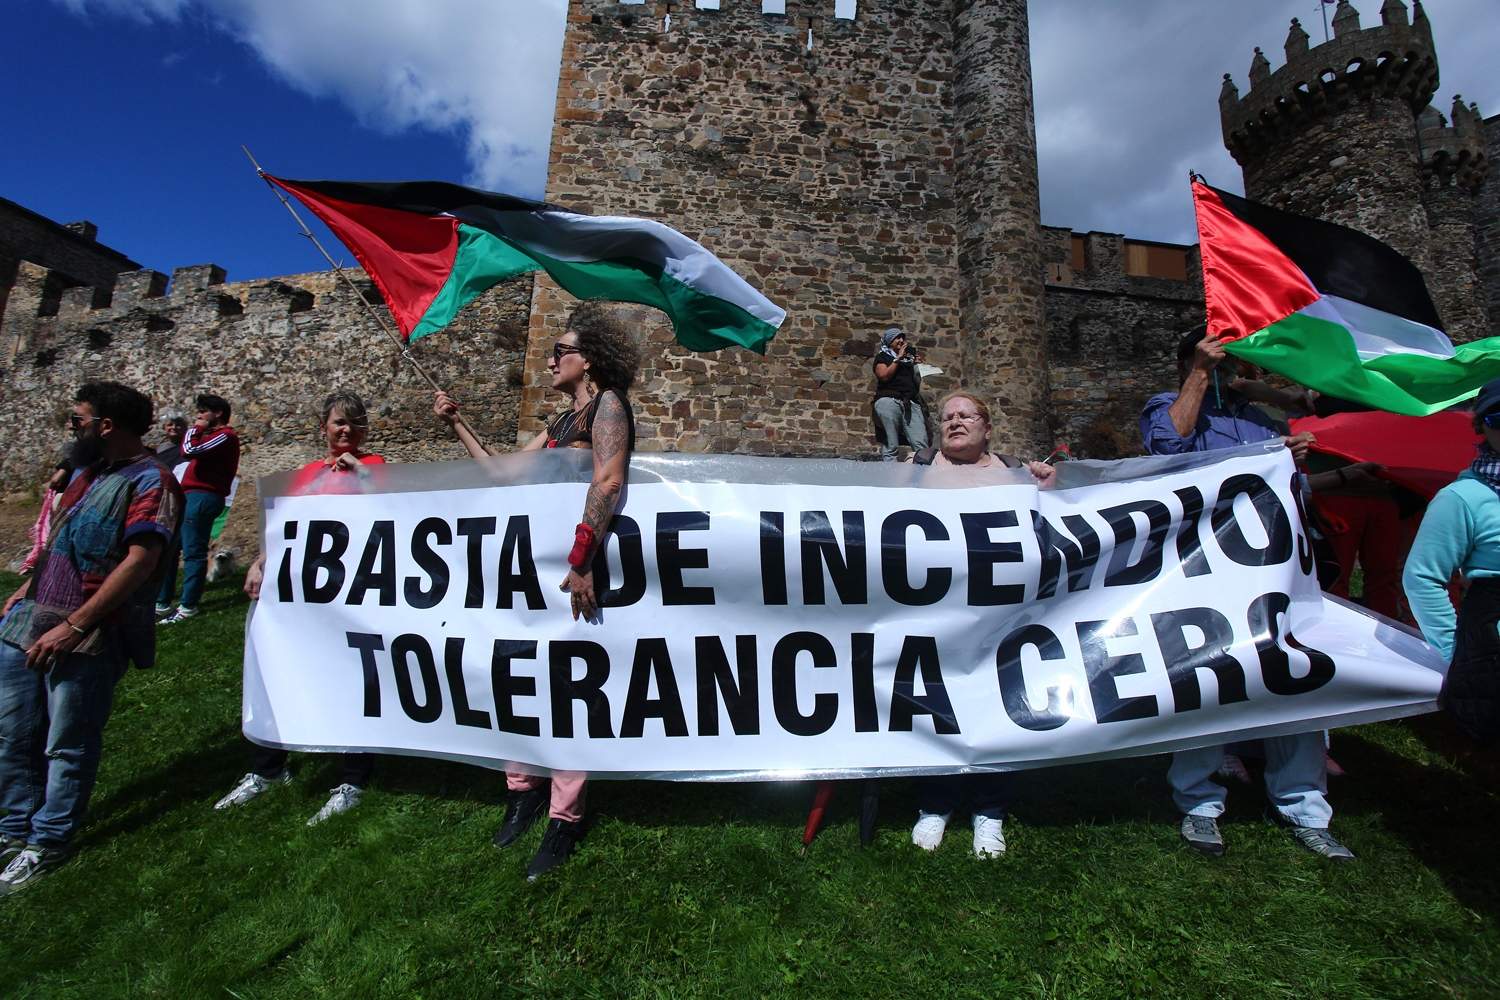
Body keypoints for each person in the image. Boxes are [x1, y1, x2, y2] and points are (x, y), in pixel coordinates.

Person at [1139, 327, 1371, 861]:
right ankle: (1199, 803)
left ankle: (1304, 806)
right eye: (1218, 362)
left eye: (1231, 363)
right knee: (1204, 677)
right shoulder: (1167, 405)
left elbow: (1287, 491)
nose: (1228, 372)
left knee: (1293, 677)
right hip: (1203, 570)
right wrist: (1198, 372)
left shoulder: (1260, 421)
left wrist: (1295, 462)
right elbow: (1166, 449)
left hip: (1272, 570)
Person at [435, 301, 639, 881]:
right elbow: (501, 474)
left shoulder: (608, 407)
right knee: (515, 675)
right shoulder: (557, 425)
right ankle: (521, 789)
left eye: (561, 351)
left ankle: (564, 816)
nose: (552, 358)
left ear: (590, 360)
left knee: (569, 686)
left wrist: (582, 560)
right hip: (527, 565)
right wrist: (457, 423)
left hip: (574, 564)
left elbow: (609, 480)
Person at [0, 382, 182, 896]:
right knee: (14, 735)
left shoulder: (153, 481)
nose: (70, 428)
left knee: (68, 742)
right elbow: (60, 544)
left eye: (77, 419)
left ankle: (49, 840)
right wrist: (23, 590)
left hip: (87, 634)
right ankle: (14, 828)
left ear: (106, 425)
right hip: (28, 620)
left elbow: (141, 561)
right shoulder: (88, 474)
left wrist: (76, 624)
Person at [214, 392, 386, 824]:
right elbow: (281, 528)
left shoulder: (379, 467)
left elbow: (396, 514)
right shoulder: (305, 475)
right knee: (279, 672)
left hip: (353, 594)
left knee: (352, 681)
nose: (345, 430)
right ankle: (267, 768)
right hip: (300, 595)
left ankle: (352, 777)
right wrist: (259, 561)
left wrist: (362, 475)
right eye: (337, 423)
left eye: (353, 423)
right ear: (324, 428)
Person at [906, 389, 1054, 858]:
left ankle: (989, 811)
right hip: (935, 611)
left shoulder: (1016, 473)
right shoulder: (915, 468)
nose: (955, 422)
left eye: (966, 416)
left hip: (999, 613)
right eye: (948, 417)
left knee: (998, 705)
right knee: (939, 703)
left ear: (987, 427)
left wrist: (1050, 490)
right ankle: (936, 803)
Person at [1403, 378, 1500, 743]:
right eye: (1498, 419)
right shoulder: (1462, 498)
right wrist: (1455, 652)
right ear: (1481, 427)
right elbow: (1421, 579)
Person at [158, 393, 239, 623]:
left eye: (203, 411)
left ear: (218, 413)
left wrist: (195, 428)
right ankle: (163, 602)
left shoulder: (225, 436)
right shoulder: (212, 436)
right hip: (190, 495)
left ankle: (188, 606)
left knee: (193, 551)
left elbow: (188, 451)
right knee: (170, 549)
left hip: (204, 496)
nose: (200, 415)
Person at [872, 327, 930, 462]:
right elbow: (884, 376)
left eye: (902, 337)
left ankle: (923, 475)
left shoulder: (909, 358)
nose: (901, 340)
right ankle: (890, 474)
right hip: (888, 400)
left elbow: (916, 381)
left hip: (910, 401)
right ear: (889, 341)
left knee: (921, 442)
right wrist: (897, 358)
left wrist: (918, 366)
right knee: (891, 443)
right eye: (897, 338)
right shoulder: (883, 357)